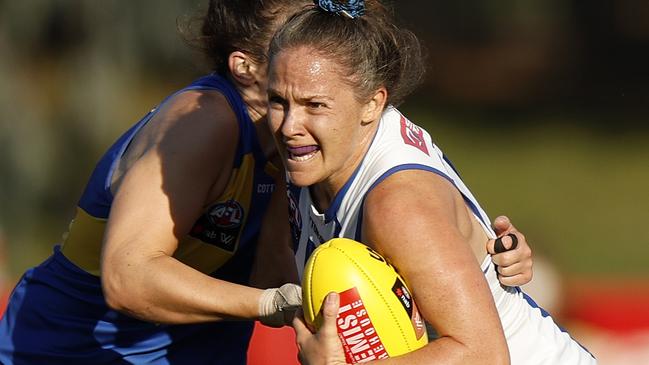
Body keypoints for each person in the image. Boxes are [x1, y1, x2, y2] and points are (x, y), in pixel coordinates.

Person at [0, 1, 533, 364]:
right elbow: (128, 275)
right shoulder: (207, 120)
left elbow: (299, 272)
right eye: (297, 38)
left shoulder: (302, 150)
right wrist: (272, 305)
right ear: (248, 65)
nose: (316, 49)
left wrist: (489, 254)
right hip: (66, 351)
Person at [265, 1, 597, 364]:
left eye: (315, 106)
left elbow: (483, 355)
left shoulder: (398, 208)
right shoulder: (323, 150)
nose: (289, 126)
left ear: (373, 104)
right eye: (278, 100)